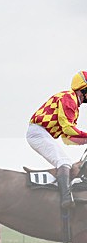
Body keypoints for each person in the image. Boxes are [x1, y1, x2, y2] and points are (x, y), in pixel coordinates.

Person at [27, 70, 87, 209]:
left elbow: (67, 138)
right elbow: (67, 129)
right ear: (83, 89)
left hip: (42, 133)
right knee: (64, 161)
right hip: (38, 132)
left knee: (68, 164)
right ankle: (66, 198)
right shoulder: (68, 98)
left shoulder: (74, 105)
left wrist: (84, 141)